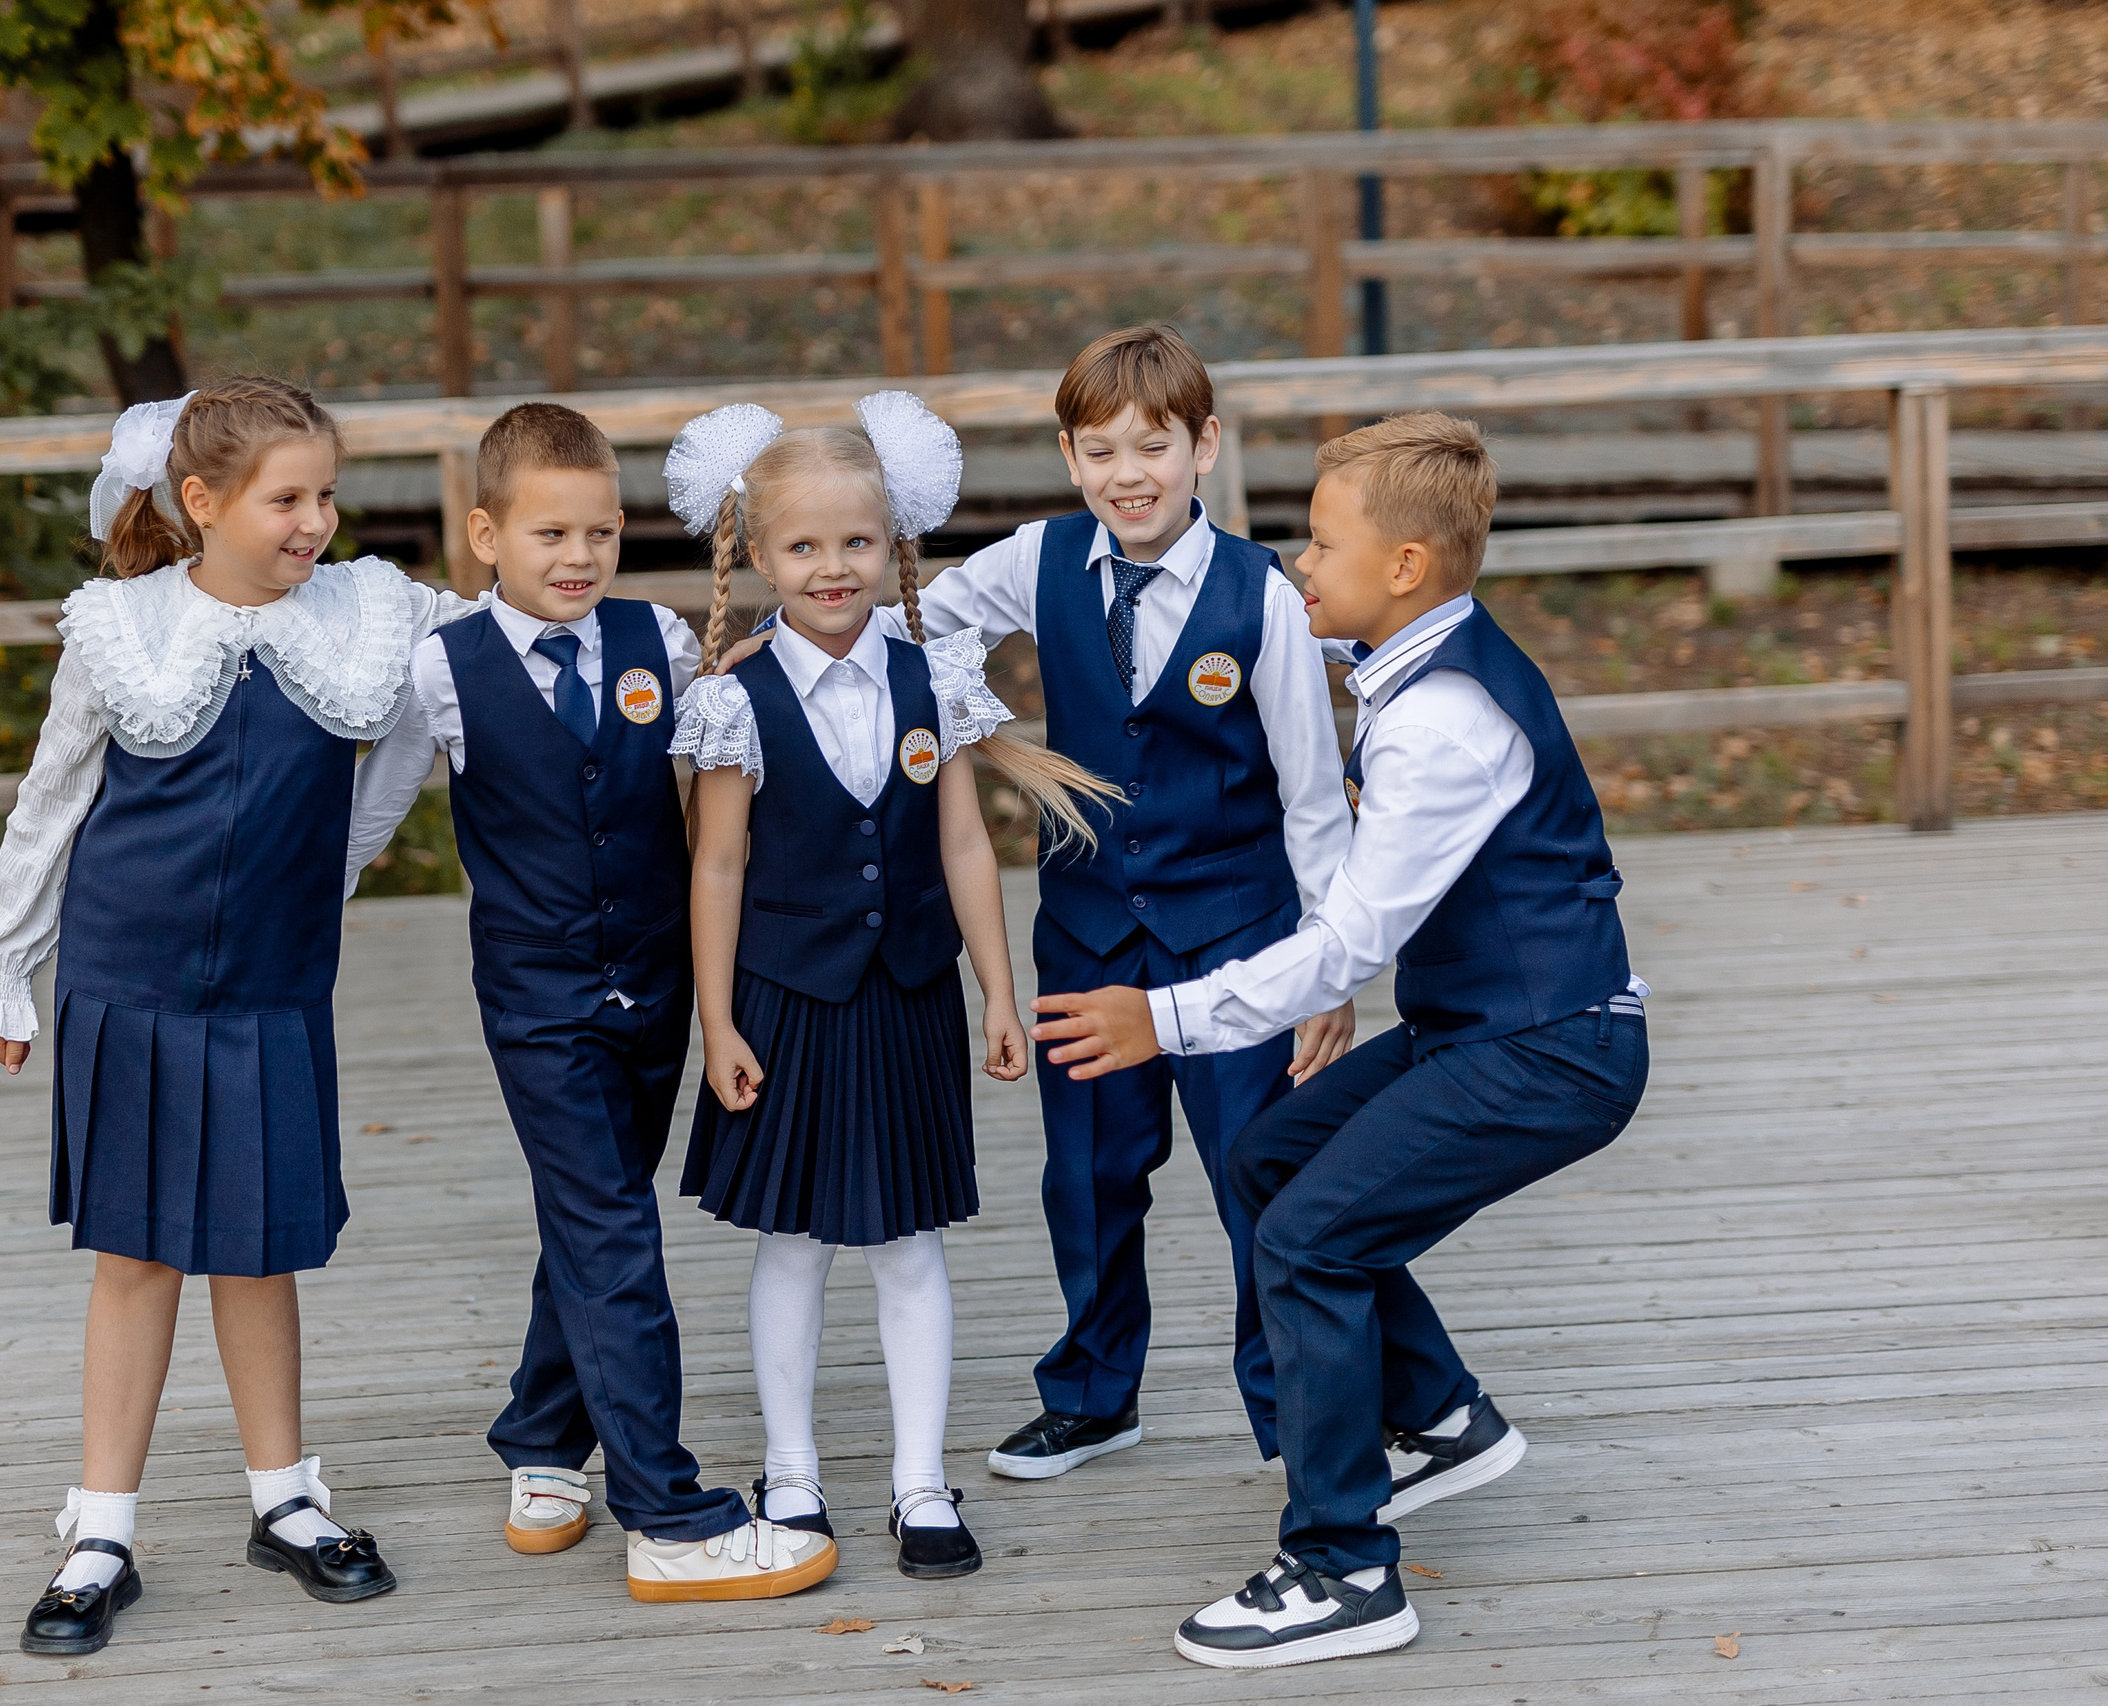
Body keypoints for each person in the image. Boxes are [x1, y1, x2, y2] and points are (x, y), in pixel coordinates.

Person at [1030, 412, 1651, 1670]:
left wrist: (1161, 1017)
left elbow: (1348, 943)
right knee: (1270, 1159)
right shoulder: (1414, 657)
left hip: (1553, 1047)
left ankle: (1342, 1564)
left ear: (1404, 566)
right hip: (1482, 1023)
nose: (1297, 564)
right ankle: (1441, 1417)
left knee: (1309, 1240)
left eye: (1320, 544)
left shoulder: (1442, 722)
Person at [728, 324, 1354, 1478]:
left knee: (1257, 1173)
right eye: (1100, 450)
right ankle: (1094, 1392)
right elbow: (917, 624)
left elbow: (1314, 795)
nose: (1129, 474)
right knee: (1089, 1175)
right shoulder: (1041, 557)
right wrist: (798, 658)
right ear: (1069, 458)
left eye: (1153, 447)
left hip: (1235, 934)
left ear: (1204, 446)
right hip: (1088, 930)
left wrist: (1330, 969)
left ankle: (1295, 1412)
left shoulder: (1260, 598)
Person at [0, 377, 468, 1655]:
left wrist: (670, 646)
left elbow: (504, 644)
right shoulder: (122, 627)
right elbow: (52, 798)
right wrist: (4, 964)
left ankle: (285, 1499)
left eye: (327, 494)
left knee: (258, 1244)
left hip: (273, 978)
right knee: (136, 1253)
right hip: (130, 974)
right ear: (201, 501)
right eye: (287, 499)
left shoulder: (369, 611)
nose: (317, 521)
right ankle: (101, 1530)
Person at [344, 402, 836, 1602]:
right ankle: (667, 1511)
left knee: (593, 1209)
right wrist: (273, 926)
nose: (579, 556)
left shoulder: (654, 639)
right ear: (485, 535)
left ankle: (540, 1430)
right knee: (613, 1229)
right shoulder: (442, 669)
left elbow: (720, 779)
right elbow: (363, 822)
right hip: (538, 998)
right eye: (550, 532)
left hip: (656, 985)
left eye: (601, 532)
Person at [663, 394, 1118, 1579]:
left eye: (856, 541)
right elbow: (717, 865)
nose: (833, 567)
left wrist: (998, 993)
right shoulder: (735, 698)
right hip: (784, 1001)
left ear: (894, 544)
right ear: (761, 555)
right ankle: (792, 1469)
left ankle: (921, 1480)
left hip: (911, 991)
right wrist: (716, 1019)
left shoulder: (934, 680)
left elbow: (964, 842)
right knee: (794, 1242)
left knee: (911, 1241)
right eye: (803, 545)